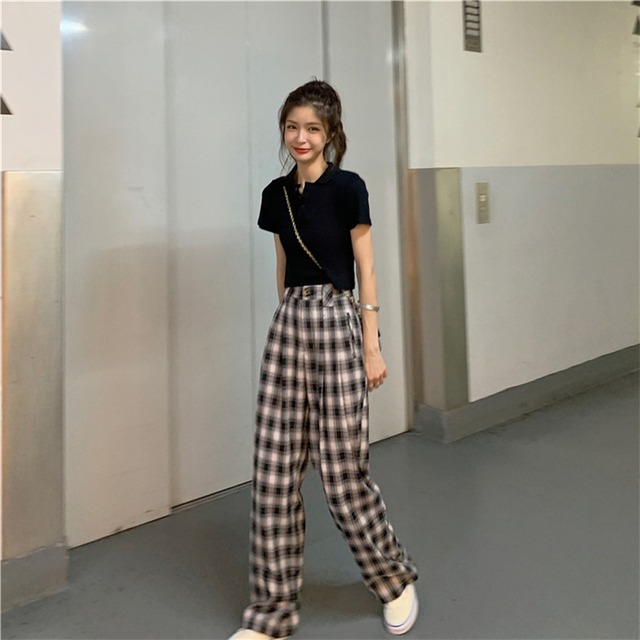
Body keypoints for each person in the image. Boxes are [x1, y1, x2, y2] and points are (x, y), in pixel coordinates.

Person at [229, 79, 418, 640]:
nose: (301, 137)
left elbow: (367, 268)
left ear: (331, 132)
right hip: (291, 324)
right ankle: (271, 614)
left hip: (338, 322)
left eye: (312, 128)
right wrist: (286, 318)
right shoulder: (275, 195)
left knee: (342, 473)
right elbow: (282, 265)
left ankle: (394, 580)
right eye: (292, 127)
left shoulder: (348, 188)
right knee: (273, 473)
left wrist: (372, 345)